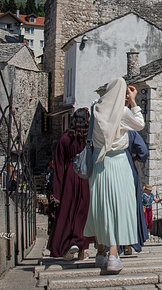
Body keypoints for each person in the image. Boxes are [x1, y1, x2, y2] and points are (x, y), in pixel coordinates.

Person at [84, 78, 145, 274]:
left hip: (98, 161)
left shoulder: (96, 109)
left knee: (101, 207)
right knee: (118, 207)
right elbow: (140, 125)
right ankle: (113, 256)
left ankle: (100, 253)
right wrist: (134, 102)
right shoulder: (123, 112)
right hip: (118, 162)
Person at [47, 108, 93, 261]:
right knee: (83, 212)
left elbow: (59, 164)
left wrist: (57, 191)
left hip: (70, 176)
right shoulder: (89, 138)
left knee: (69, 211)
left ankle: (70, 244)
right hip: (86, 176)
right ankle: (81, 248)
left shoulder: (65, 138)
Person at [122, 130, 149, 255]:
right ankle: (129, 241)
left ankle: (111, 245)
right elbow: (143, 151)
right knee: (130, 207)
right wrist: (136, 158)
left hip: (108, 169)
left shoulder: (105, 128)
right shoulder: (130, 133)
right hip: (128, 169)